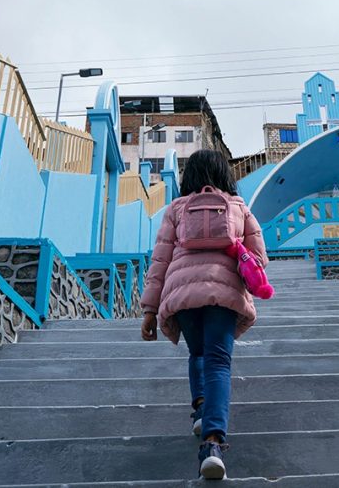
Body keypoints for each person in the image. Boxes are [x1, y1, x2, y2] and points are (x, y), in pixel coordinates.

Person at [140, 149, 268, 480]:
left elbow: (159, 261)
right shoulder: (239, 207)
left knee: (197, 353)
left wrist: (150, 310)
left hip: (181, 292)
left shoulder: (176, 208)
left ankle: (200, 408)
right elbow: (259, 258)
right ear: (225, 174)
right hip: (224, 293)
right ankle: (212, 444)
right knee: (218, 362)